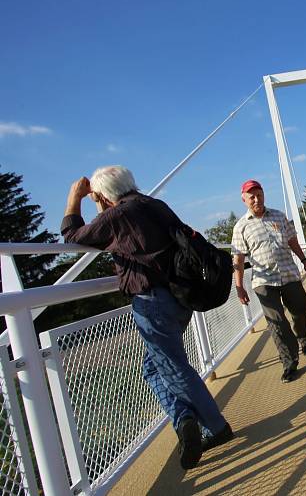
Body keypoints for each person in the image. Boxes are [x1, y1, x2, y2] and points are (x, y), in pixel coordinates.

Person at [61, 165, 233, 471]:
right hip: (180, 298)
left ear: (102, 195)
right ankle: (185, 419)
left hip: (152, 303)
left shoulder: (117, 216)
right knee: (154, 367)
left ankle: (215, 426)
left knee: (173, 367)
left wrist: (75, 198)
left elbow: (72, 236)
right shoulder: (154, 204)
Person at [231, 179, 306, 383]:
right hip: (263, 281)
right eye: (251, 196)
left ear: (264, 195)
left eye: (259, 194)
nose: (256, 199)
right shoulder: (240, 227)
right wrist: (239, 286)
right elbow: (239, 259)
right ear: (244, 200)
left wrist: (305, 261)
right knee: (276, 322)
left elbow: (292, 240)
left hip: (288, 274)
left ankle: (304, 339)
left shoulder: (278, 215)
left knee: (299, 312)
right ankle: (289, 362)